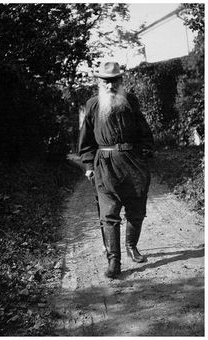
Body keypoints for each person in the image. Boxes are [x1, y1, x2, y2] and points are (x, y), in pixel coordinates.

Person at [78, 61, 154, 278]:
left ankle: (132, 246)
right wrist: (88, 165)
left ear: (120, 81)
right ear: (99, 82)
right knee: (109, 214)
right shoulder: (92, 105)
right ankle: (114, 261)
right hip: (105, 164)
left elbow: (143, 129)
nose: (110, 86)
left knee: (136, 211)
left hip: (133, 163)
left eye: (114, 81)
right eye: (105, 81)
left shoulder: (130, 101)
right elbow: (85, 141)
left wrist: (146, 152)